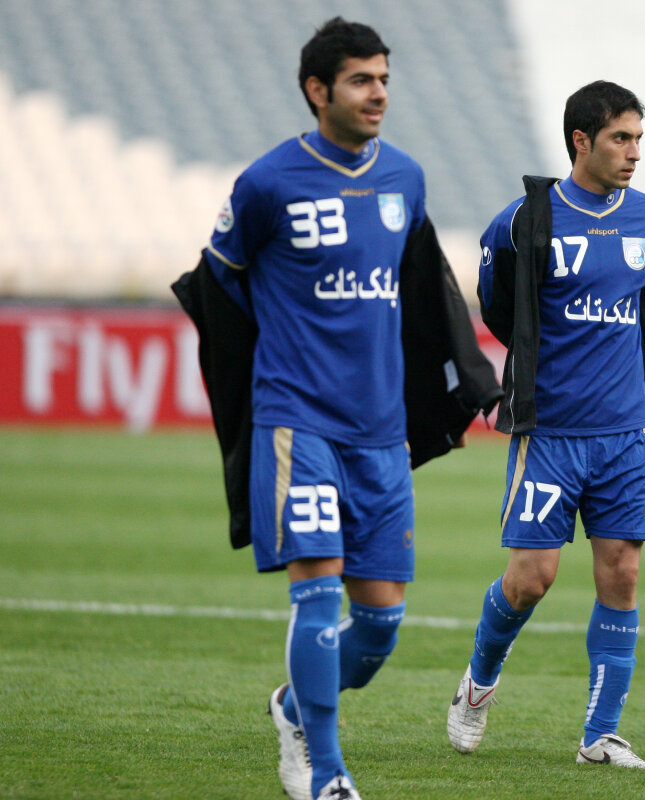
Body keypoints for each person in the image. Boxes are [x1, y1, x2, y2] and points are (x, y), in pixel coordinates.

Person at [173, 18, 500, 800]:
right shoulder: (267, 183)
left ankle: (291, 708)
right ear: (318, 90)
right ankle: (325, 770)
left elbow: (423, 293)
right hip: (298, 421)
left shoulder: (405, 179)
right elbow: (217, 287)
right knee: (316, 592)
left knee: (380, 626)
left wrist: (453, 394)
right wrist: (263, 377)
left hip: (380, 433)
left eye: (384, 78)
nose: (378, 92)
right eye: (361, 79)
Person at [445, 80, 645, 769]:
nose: (634, 152)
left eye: (638, 138)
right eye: (621, 138)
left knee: (622, 574)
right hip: (549, 432)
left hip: (623, 432)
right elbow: (496, 305)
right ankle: (478, 681)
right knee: (530, 578)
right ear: (581, 140)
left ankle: (600, 735)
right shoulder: (523, 220)